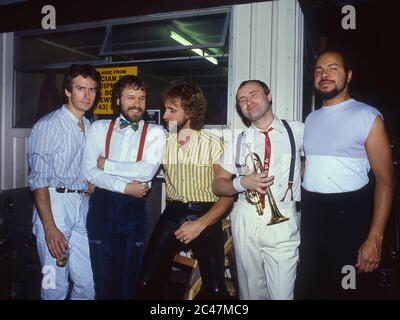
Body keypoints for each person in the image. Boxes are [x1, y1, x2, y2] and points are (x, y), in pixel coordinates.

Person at [295, 50, 395, 299]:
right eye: (318, 70)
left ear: (348, 75)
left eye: (332, 68)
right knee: (311, 290)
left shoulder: (368, 116)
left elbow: (386, 179)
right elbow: (312, 167)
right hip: (313, 219)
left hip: (350, 220)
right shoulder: (312, 119)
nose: (324, 75)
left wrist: (375, 238)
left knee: (349, 292)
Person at [136, 80, 233, 299]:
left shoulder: (212, 143)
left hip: (205, 214)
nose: (165, 116)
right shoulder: (163, 142)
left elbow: (228, 197)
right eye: (165, 110)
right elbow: (136, 167)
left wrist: (199, 225)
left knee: (216, 289)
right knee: (145, 281)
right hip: (172, 214)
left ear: (189, 111)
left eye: (172, 110)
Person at [213, 80, 304, 300]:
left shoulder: (298, 130)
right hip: (246, 219)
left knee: (282, 294)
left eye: (253, 94)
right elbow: (218, 184)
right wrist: (242, 183)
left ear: (269, 96)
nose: (248, 102)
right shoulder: (237, 141)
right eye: (242, 100)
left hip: (284, 220)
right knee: (250, 293)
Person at [82, 75, 166, 299]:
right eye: (130, 97)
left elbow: (146, 171)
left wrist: (105, 164)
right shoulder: (99, 128)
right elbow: (88, 171)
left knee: (129, 280)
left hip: (134, 211)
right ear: (117, 100)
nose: (137, 104)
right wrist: (125, 187)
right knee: (102, 279)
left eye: (141, 98)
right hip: (101, 209)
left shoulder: (156, 133)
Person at [28, 64, 100, 300]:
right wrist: (49, 228)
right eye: (81, 89)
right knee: (54, 286)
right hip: (54, 205)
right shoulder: (48, 126)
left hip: (81, 204)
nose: (87, 95)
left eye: (92, 89)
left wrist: (89, 182)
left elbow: (84, 167)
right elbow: (38, 181)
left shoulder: (89, 126)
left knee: (88, 284)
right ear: (68, 91)